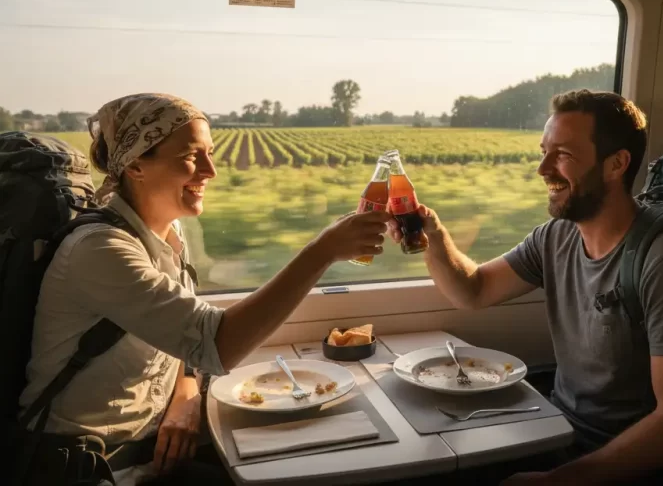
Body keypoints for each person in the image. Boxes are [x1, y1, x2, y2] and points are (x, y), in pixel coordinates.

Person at [17, 93, 391, 486]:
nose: (210, 170)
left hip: (151, 451)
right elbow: (216, 343)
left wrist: (186, 393)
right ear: (136, 165)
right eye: (192, 156)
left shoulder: (170, 234)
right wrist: (322, 252)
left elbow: (181, 331)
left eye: (210, 153)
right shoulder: (100, 251)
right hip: (89, 468)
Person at [389, 90, 663, 485]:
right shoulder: (556, 238)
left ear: (616, 164)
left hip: (623, 464)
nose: (542, 169)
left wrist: (557, 481)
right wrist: (433, 233)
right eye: (544, 151)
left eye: (562, 154)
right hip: (555, 431)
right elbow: (473, 290)